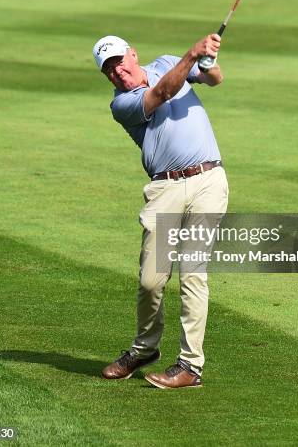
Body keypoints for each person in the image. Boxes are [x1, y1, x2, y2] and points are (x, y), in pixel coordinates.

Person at [92, 33, 229, 389]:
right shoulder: (122, 104)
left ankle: (190, 366)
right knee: (151, 280)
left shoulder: (168, 62)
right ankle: (144, 350)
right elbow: (164, 92)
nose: (117, 72)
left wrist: (208, 61)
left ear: (133, 54)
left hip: (208, 181)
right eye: (109, 70)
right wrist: (192, 53)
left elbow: (214, 80)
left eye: (120, 61)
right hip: (165, 189)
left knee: (193, 273)